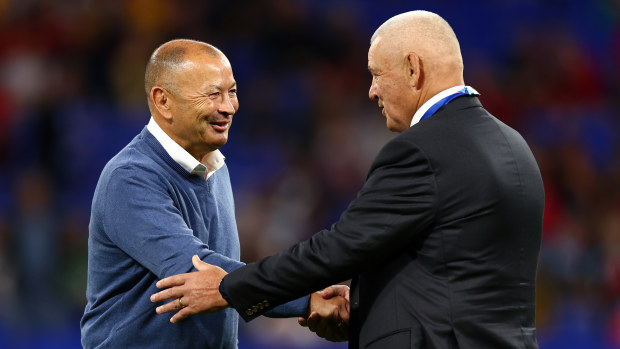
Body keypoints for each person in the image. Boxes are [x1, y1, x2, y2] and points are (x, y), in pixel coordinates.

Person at [151, 11, 544, 349]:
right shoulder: (516, 147)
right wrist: (359, 305)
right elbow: (451, 271)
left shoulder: (422, 149)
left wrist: (228, 288)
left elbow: (338, 249)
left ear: (413, 69)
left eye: (376, 74)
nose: (372, 91)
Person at [80, 39, 348, 349]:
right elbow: (198, 270)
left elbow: (220, 297)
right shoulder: (129, 178)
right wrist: (307, 299)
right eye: (212, 94)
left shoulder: (215, 167)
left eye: (232, 92)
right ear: (163, 101)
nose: (228, 107)